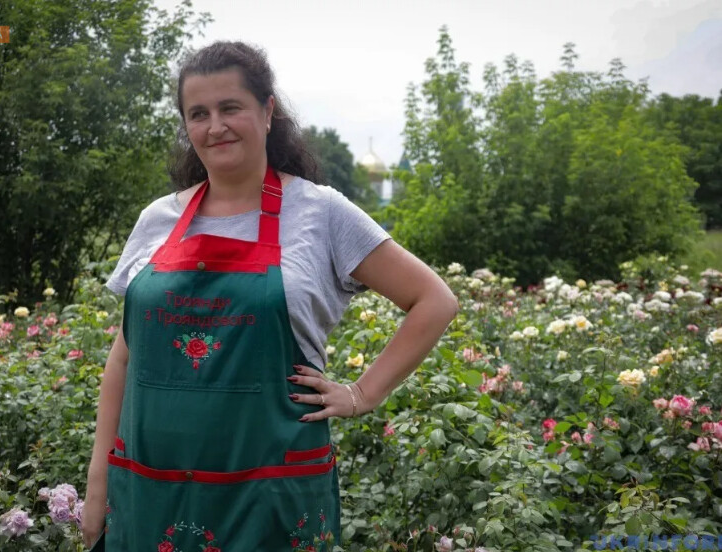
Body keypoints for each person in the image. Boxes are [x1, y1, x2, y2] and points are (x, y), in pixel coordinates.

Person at [81, 41, 459, 551]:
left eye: (230, 107)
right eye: (198, 114)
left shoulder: (321, 212)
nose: (215, 126)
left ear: (267, 111)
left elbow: (434, 300)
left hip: (271, 497)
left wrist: (362, 394)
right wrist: (99, 479)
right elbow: (125, 356)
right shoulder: (157, 219)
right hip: (149, 491)